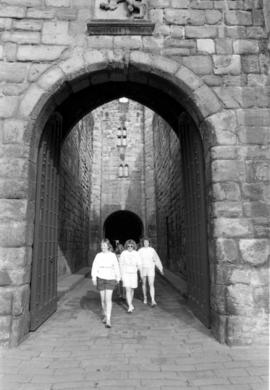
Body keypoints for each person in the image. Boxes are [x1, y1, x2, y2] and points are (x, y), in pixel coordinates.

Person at [91, 238, 121, 328]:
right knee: (103, 300)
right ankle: (105, 315)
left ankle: (108, 319)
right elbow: (94, 266)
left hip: (110, 278)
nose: (102, 247)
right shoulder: (98, 255)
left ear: (108, 246)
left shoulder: (112, 255)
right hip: (101, 278)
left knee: (108, 299)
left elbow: (116, 266)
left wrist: (118, 277)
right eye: (101, 245)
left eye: (104, 245)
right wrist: (94, 278)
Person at [138, 237, 164, 307]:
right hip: (143, 269)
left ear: (149, 243)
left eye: (147, 242)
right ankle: (145, 297)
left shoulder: (152, 250)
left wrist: (160, 268)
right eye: (144, 242)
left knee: (151, 284)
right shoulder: (140, 251)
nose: (146, 243)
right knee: (144, 284)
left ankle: (153, 299)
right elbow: (138, 261)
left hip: (150, 269)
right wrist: (137, 269)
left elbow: (156, 259)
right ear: (143, 243)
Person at [119, 239, 142, 313]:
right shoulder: (123, 253)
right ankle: (129, 306)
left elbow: (139, 264)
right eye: (128, 246)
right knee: (128, 289)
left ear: (134, 246)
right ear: (126, 246)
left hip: (133, 274)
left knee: (132, 289)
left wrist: (140, 271)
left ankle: (130, 303)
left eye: (131, 246)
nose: (130, 247)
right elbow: (121, 265)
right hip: (126, 273)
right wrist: (121, 275)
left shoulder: (136, 253)